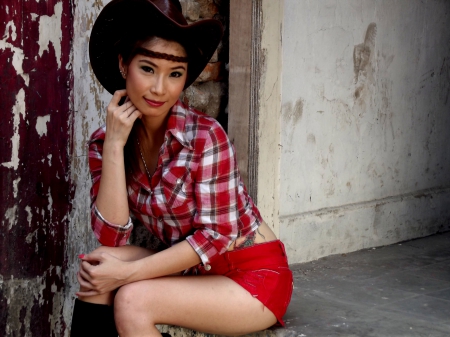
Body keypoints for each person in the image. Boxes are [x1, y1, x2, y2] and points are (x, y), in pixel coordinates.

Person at [70, 0, 293, 336]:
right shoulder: (105, 142)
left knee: (132, 299)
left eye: (175, 74)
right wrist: (115, 145)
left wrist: (129, 274)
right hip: (195, 272)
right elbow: (110, 238)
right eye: (147, 69)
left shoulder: (205, 136)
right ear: (123, 64)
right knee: (99, 265)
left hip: (250, 274)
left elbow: (215, 237)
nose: (160, 89)